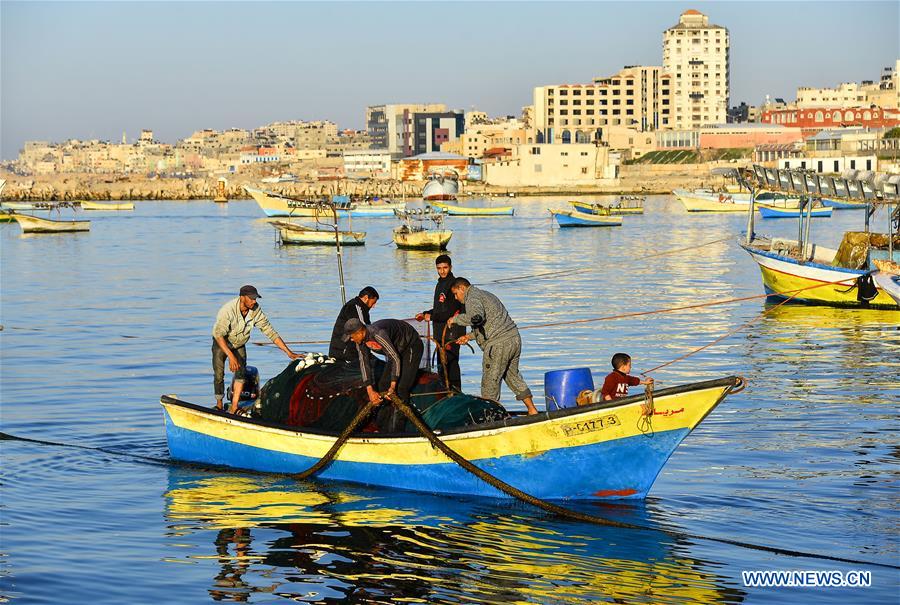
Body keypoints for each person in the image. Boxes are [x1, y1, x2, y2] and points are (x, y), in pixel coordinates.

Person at [447, 277, 538, 415]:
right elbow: (488, 323)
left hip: (498, 345)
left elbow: (476, 317)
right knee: (513, 376)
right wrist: (469, 337)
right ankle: (532, 410)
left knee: (490, 382)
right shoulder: (486, 294)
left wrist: (455, 319)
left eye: (455, 294)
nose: (455, 298)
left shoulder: (472, 297)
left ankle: (490, 418)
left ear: (462, 288)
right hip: (514, 339)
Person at [213, 285, 299, 414]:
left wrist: (289, 352)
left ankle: (234, 406)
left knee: (241, 374)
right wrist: (231, 357)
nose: (254, 301)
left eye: (256, 298)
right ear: (242, 298)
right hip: (222, 343)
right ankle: (219, 404)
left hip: (239, 343)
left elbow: (270, 332)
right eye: (251, 298)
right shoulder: (228, 310)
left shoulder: (256, 310)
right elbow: (219, 335)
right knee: (219, 374)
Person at [343, 317, 424, 432]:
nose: (351, 340)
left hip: (410, 345)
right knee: (382, 385)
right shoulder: (359, 342)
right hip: (394, 350)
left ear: (360, 332)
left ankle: (397, 429)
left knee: (401, 388)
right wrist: (370, 390)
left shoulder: (378, 334)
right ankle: (382, 425)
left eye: (351, 337)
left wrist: (393, 385)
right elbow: (364, 363)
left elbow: (395, 359)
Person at [415, 254, 464, 391]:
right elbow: (439, 309)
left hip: (451, 332)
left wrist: (431, 317)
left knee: (451, 364)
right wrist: (425, 313)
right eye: (439, 268)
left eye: (445, 268)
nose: (442, 271)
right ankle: (444, 391)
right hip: (439, 332)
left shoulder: (454, 285)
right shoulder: (439, 284)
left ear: (450, 267)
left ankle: (455, 392)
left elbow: (451, 311)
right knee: (441, 365)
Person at [329, 286, 379, 362]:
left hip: (353, 349)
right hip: (344, 351)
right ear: (366, 298)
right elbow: (363, 328)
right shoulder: (355, 307)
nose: (374, 306)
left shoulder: (362, 309)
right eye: (373, 302)